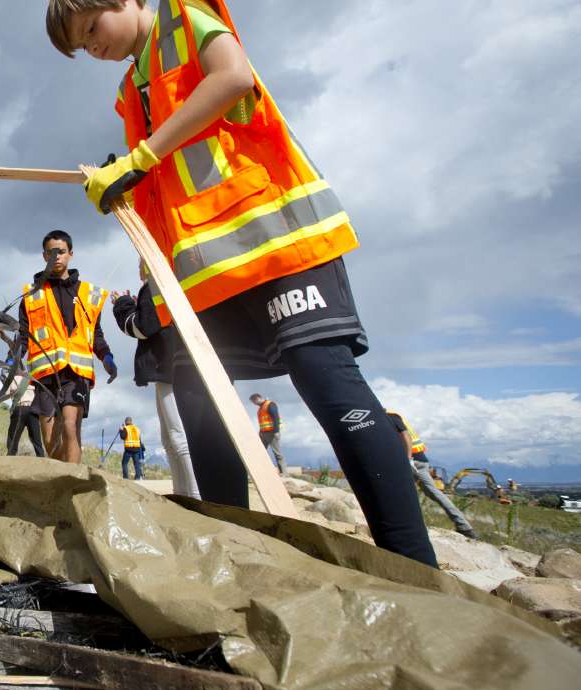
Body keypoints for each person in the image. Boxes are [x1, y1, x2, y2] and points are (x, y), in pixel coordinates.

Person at [46, 0, 437, 566]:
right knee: (199, 402)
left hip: (276, 243)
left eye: (92, 29)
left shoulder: (184, 17)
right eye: (82, 46)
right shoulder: (133, 90)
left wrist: (142, 156)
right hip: (205, 274)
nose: (93, 47)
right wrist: (133, 196)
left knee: (329, 386)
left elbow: (232, 77)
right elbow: (169, 177)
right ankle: (233, 558)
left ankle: (414, 567)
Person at [17, 230, 117, 464]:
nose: (56, 257)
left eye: (61, 252)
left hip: (76, 374)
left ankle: (73, 485)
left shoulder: (88, 294)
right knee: (51, 445)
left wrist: (107, 357)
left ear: (70, 254)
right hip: (45, 376)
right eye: (51, 253)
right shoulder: (31, 296)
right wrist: (13, 359)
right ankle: (59, 480)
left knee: (71, 428)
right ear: (44, 256)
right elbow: (23, 335)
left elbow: (96, 334)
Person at [112, 262, 199, 497]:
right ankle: (182, 495)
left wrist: (122, 304)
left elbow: (142, 327)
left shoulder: (156, 286)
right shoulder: (173, 283)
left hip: (170, 366)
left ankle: (193, 496)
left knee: (178, 437)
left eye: (141, 262)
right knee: (170, 437)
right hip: (175, 365)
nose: (139, 267)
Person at [387, 411, 478, 540]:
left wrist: (408, 459)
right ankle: (465, 527)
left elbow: (405, 436)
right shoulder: (394, 416)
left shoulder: (389, 417)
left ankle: (399, 526)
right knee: (434, 493)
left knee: (392, 490)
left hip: (412, 462)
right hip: (421, 461)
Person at [3, 363, 46, 456]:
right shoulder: (32, 378)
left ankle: (10, 457)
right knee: (36, 439)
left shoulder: (11, 380)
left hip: (20, 409)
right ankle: (41, 458)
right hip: (31, 410)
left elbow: (5, 396)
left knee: (13, 438)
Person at [249, 394, 285, 475]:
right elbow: (263, 422)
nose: (254, 404)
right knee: (261, 452)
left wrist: (276, 431)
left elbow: (275, 418)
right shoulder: (261, 408)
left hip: (272, 433)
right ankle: (261, 472)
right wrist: (260, 432)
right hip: (263, 433)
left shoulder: (270, 404)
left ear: (258, 398)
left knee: (277, 453)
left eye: (254, 401)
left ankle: (284, 472)